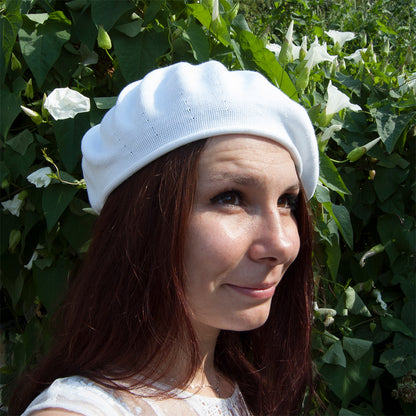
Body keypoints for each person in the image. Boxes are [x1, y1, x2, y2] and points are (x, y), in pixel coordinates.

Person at [9, 60, 319, 416]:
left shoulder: (242, 388)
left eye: (286, 201)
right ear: (141, 222)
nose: (282, 244)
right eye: (230, 198)